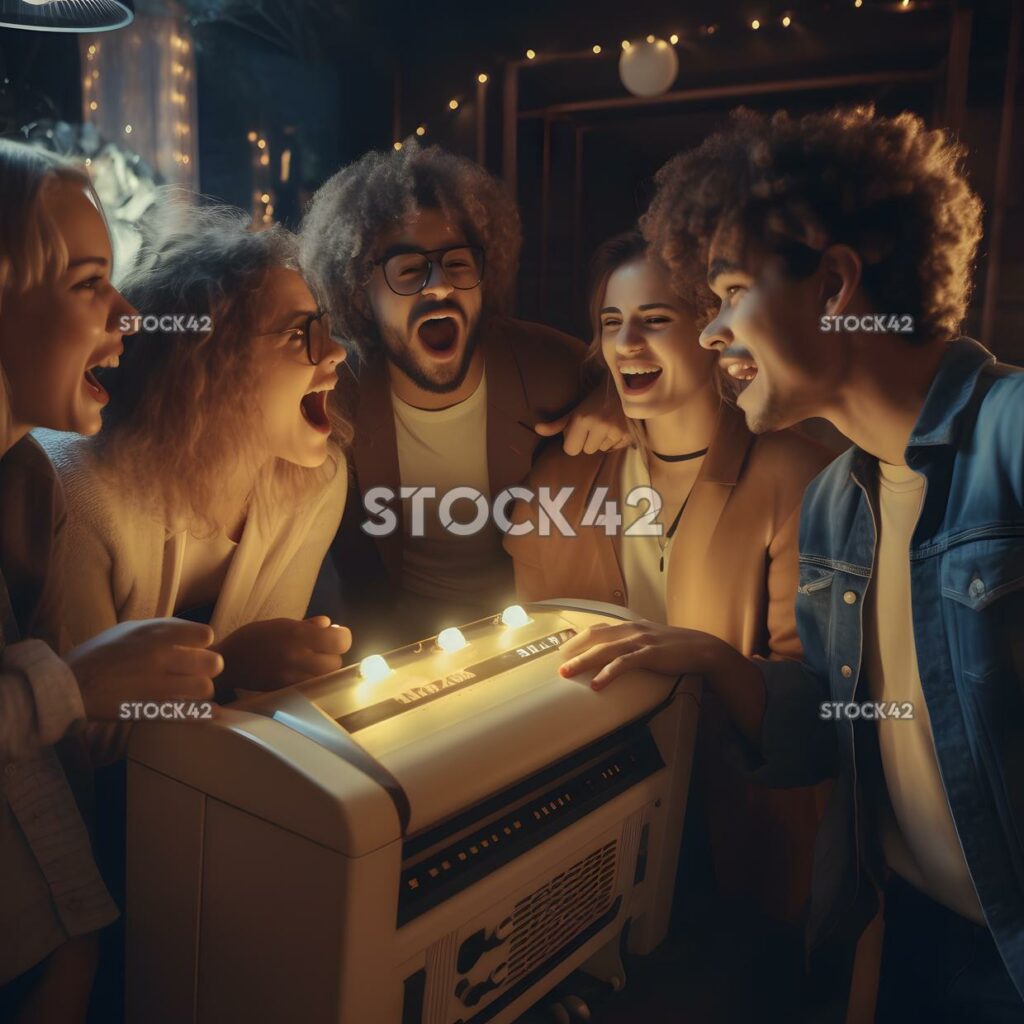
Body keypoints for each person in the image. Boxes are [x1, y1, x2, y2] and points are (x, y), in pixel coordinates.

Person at [558, 106, 1024, 1023]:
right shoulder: (838, 504)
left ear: (838, 282)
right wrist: (711, 659)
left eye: (729, 290)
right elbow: (842, 725)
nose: (708, 332)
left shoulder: (1011, 436)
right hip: (915, 937)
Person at [504, 230, 833, 1021]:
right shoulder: (568, 470)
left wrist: (711, 659)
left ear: (711, 330)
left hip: (727, 838)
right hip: (591, 823)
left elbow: (816, 711)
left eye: (653, 318)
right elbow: (528, 644)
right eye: (611, 321)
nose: (625, 342)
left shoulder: (793, 471)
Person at [0, 140, 222, 1022]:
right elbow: (71, 708)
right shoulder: (74, 486)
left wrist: (72, 947)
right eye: (90, 283)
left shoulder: (22, 481)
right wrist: (81, 684)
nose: (128, 316)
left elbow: (52, 768)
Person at [300, 141, 626, 653]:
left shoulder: (546, 366)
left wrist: (618, 401)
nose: (439, 287)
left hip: (539, 640)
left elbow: (654, 385)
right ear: (360, 293)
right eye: (408, 270)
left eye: (457, 263)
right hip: (397, 649)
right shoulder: (337, 392)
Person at [39, 203, 353, 705]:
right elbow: (80, 735)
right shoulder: (79, 490)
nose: (335, 350)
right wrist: (225, 670)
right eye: (300, 334)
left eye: (323, 326)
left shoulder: (316, 483)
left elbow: (264, 702)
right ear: (210, 366)